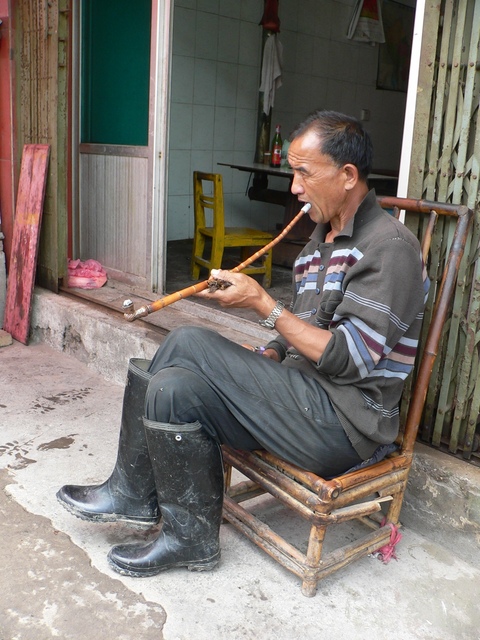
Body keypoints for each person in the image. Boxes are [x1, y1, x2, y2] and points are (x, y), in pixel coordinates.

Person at [57, 110, 428, 578]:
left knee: (190, 340)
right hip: (300, 401)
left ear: (348, 176)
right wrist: (273, 349)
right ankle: (189, 540)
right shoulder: (319, 243)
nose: (294, 186)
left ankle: (132, 491)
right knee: (173, 387)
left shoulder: (389, 247)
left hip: (343, 425)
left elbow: (351, 358)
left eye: (304, 173)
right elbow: (306, 327)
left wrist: (262, 302)